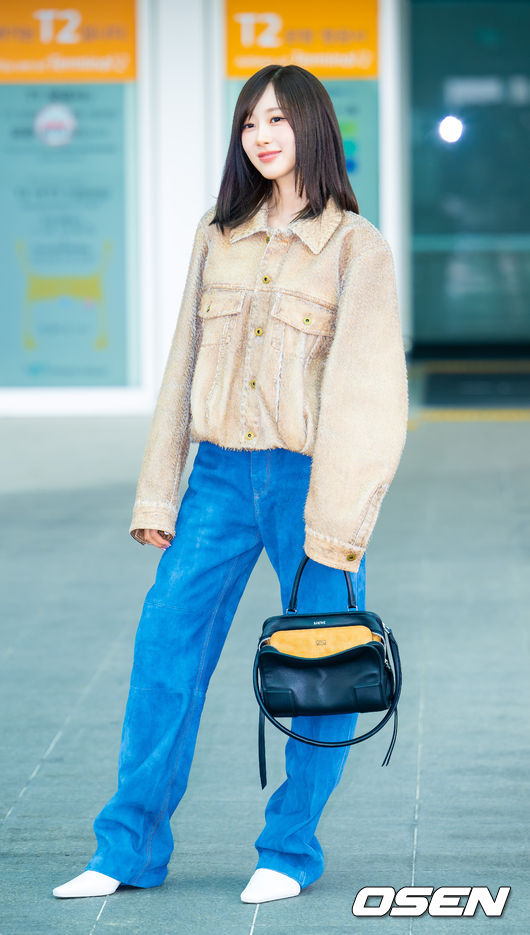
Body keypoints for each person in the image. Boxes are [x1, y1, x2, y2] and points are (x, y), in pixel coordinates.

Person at [53, 63, 408, 905]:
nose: (261, 135)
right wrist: (158, 492)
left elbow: (370, 396)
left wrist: (339, 521)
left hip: (309, 481)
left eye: (278, 119)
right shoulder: (217, 234)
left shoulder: (355, 247)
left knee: (323, 665)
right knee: (164, 654)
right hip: (216, 477)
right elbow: (182, 367)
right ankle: (128, 848)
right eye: (250, 121)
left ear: (312, 127)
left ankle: (289, 849)